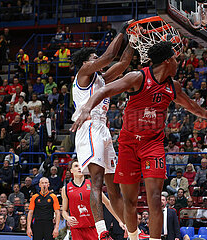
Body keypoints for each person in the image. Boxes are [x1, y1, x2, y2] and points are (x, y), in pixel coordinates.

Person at [70, 41, 207, 240]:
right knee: (129, 202)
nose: (178, 63)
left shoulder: (173, 86)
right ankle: (132, 236)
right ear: (167, 61)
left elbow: (191, 105)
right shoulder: (137, 77)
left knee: (155, 199)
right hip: (128, 143)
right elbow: (104, 91)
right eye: (175, 60)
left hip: (153, 144)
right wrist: (87, 108)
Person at [69, 20, 134, 240]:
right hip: (88, 128)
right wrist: (124, 30)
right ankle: (102, 232)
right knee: (96, 182)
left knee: (113, 187)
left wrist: (134, 39)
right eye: (94, 58)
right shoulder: (83, 73)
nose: (98, 62)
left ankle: (130, 230)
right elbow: (109, 57)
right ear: (86, 62)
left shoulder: (102, 79)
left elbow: (124, 62)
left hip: (102, 130)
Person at [61, 159, 125, 240]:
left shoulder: (92, 185)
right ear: (71, 171)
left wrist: (119, 220)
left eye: (81, 166)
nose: (79, 168)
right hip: (76, 229)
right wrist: (67, 218)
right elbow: (64, 211)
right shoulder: (66, 188)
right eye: (76, 166)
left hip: (93, 227)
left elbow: (107, 203)